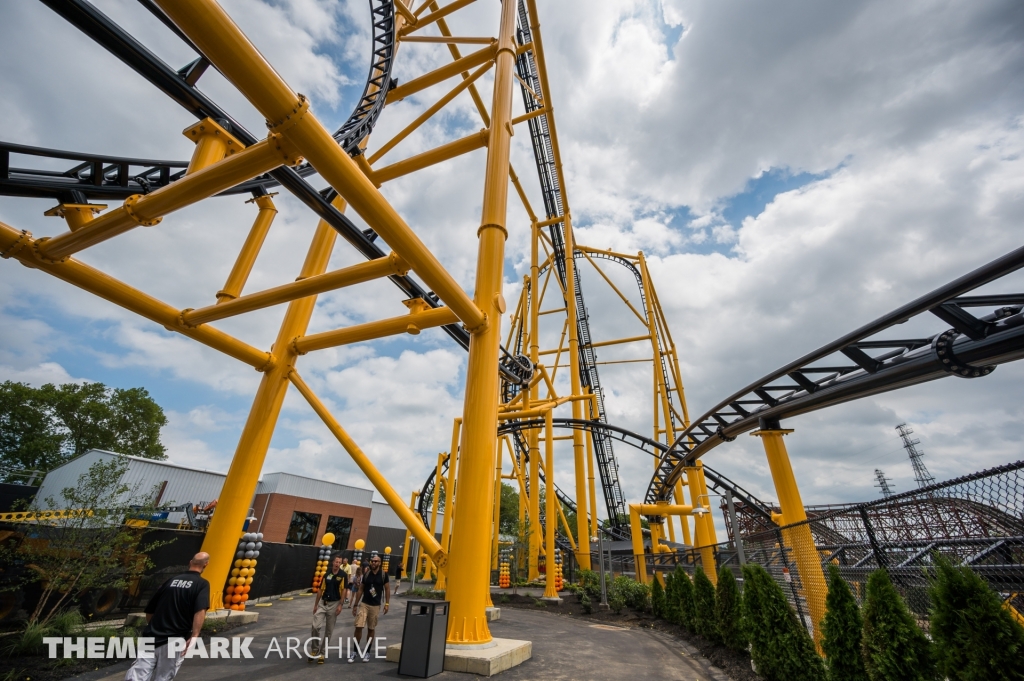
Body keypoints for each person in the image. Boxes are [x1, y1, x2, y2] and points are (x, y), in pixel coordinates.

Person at [125, 552, 211, 681]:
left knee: (137, 674)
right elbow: (200, 610)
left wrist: (153, 626)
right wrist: (194, 635)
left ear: (190, 562)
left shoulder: (171, 581)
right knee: (163, 677)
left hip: (152, 636)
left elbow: (150, 609)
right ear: (206, 564)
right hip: (175, 639)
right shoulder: (201, 584)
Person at [349, 555, 389, 663]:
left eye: (376, 561)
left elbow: (387, 589)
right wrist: (355, 604)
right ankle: (355, 651)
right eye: (372, 561)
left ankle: (367, 652)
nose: (373, 563)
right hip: (364, 603)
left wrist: (387, 604)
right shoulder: (366, 574)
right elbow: (361, 589)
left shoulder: (384, 575)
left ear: (379, 563)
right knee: (359, 626)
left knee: (371, 628)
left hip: (375, 605)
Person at [308, 553, 348, 662]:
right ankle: (314, 649)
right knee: (315, 626)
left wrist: (340, 604)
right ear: (333, 562)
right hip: (323, 602)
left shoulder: (343, 575)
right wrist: (316, 605)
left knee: (329, 630)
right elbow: (320, 589)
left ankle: (322, 653)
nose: (337, 564)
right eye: (336, 562)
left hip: (334, 604)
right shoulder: (327, 574)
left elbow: (344, 590)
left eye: (339, 562)